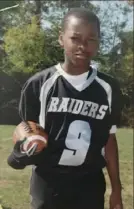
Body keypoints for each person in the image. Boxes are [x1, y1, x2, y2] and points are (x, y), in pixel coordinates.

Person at [7, 8, 123, 209]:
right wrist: (21, 153)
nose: (83, 46)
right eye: (75, 38)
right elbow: (26, 131)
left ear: (98, 42)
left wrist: (117, 190)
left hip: (89, 183)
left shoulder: (108, 87)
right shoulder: (39, 85)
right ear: (61, 39)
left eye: (91, 39)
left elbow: (109, 141)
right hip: (48, 182)